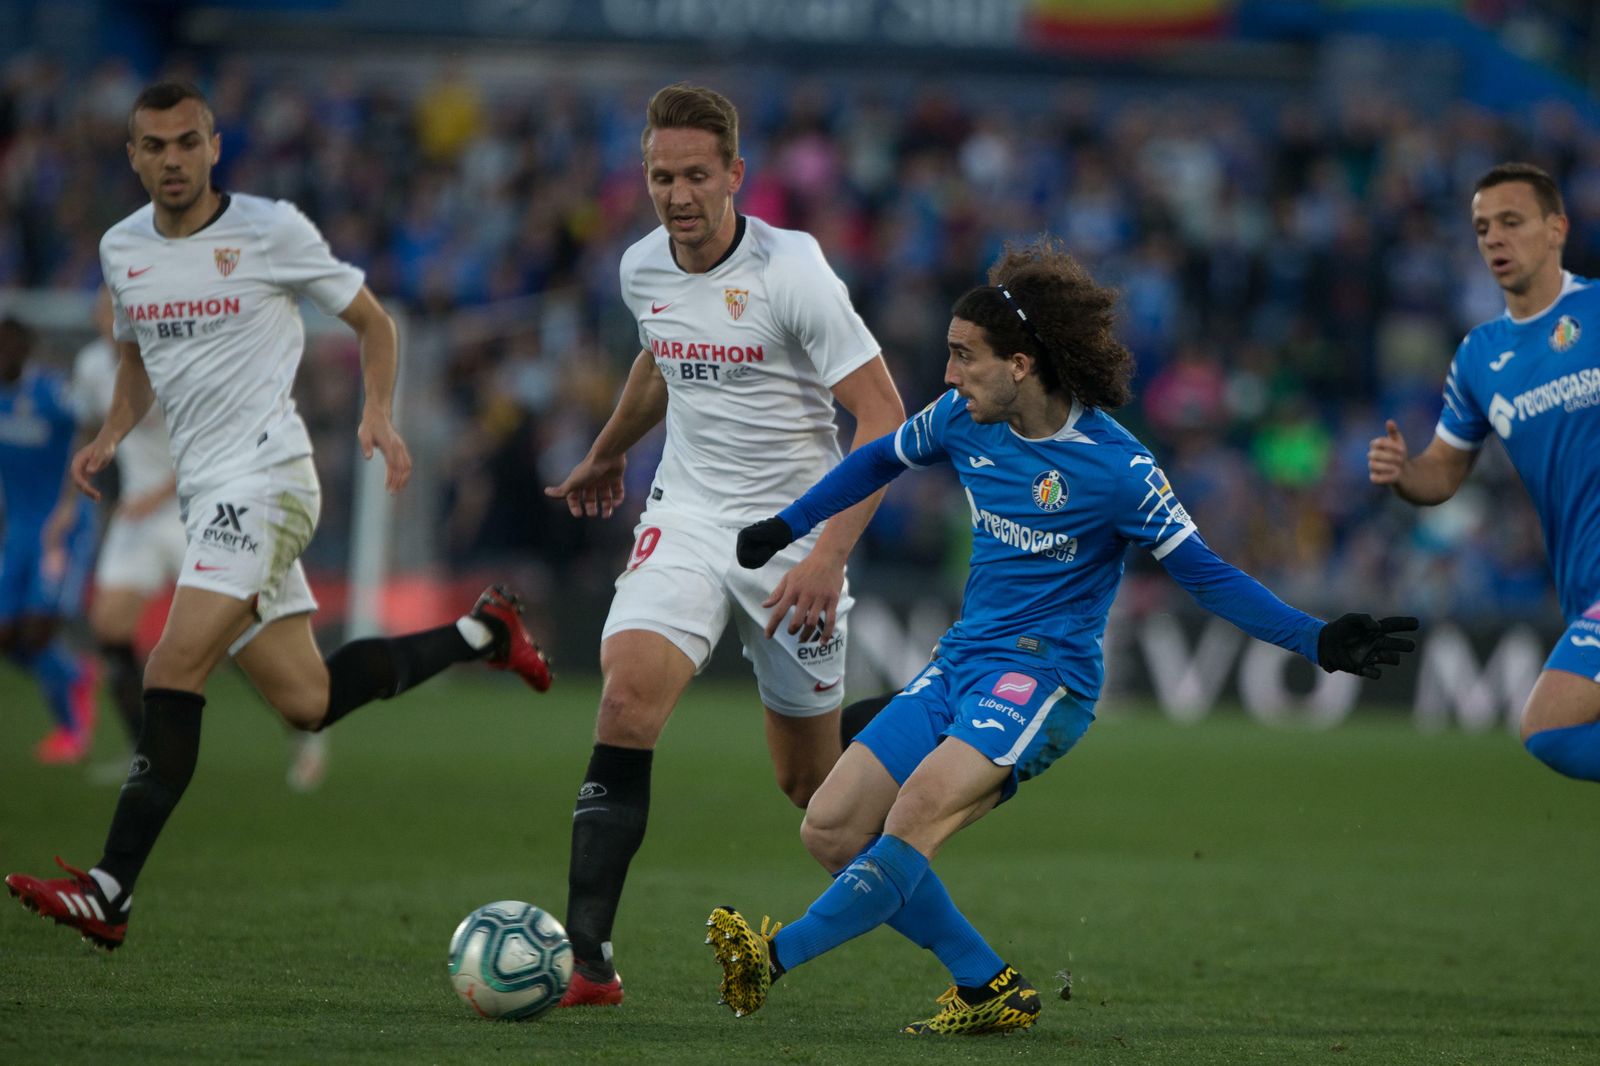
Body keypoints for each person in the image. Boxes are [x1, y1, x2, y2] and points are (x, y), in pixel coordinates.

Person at [707, 237, 1418, 1034]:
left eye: (962, 357)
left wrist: (1314, 639)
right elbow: (877, 460)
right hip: (959, 664)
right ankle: (987, 985)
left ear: (1019, 364)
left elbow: (1206, 574)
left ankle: (769, 960)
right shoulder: (963, 420)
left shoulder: (1119, 469)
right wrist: (786, 526)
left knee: (912, 819)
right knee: (831, 829)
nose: (947, 376)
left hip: (1044, 681)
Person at [4, 82, 553, 951]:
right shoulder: (123, 248)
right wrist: (111, 433)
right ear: (133, 157)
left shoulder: (271, 229)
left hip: (269, 480)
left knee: (170, 666)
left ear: (214, 145)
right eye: (156, 146)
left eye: (189, 142)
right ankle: (485, 633)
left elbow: (374, 323)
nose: (174, 159)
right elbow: (138, 357)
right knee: (309, 700)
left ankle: (110, 891)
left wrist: (377, 411)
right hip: (209, 494)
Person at [543, 83, 905, 1006]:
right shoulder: (641, 270)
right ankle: (588, 962)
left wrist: (825, 555)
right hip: (691, 519)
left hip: (793, 539)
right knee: (625, 700)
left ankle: (923, 735)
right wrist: (605, 453)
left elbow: (884, 416)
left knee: (813, 789)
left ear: (736, 174)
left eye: (697, 175)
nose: (678, 195)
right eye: (661, 176)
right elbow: (662, 356)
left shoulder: (796, 272)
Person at [1369, 161, 1600, 782]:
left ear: (1556, 229)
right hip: (1582, 586)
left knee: (1552, 726)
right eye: (1481, 227)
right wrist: (1402, 472)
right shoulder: (1479, 356)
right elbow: (1440, 476)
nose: (1494, 238)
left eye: (1511, 222)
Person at [48, 289, 332, 792]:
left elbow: (212, 439)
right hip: (138, 517)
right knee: (110, 629)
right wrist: (70, 501)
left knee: (239, 639)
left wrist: (158, 493)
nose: (105, 318)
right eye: (99, 309)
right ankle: (145, 751)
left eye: (114, 309)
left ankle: (301, 729)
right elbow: (91, 429)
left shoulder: (173, 362)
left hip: (194, 510)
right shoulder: (93, 366)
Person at [0, 315, 99, 764]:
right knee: (5, 635)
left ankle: (71, 731)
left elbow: (94, 423)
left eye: (10, 346)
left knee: (38, 631)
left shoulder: (53, 394)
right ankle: (74, 674)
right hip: (17, 527)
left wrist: (70, 498)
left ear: (25, 350)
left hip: (60, 527)